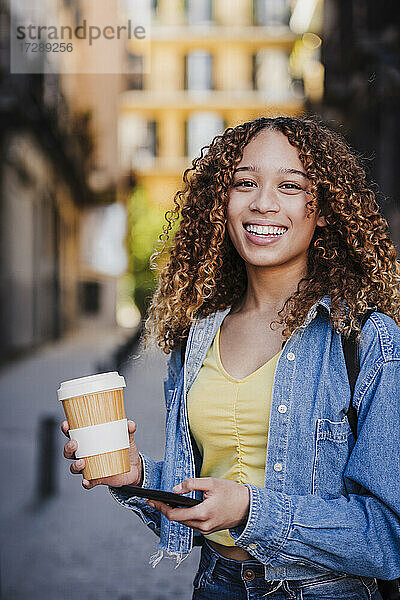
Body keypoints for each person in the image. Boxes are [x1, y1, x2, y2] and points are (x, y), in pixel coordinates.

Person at [62, 115, 400, 600]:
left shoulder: (367, 341)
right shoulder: (196, 336)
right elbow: (206, 491)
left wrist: (250, 511)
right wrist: (136, 477)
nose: (263, 203)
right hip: (217, 583)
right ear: (223, 202)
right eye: (245, 183)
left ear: (322, 208)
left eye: (290, 185)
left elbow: (388, 537)